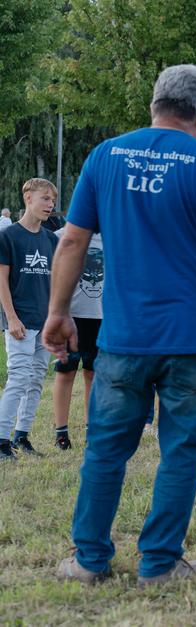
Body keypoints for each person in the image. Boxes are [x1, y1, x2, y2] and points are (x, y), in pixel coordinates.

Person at [44, 64, 196, 585]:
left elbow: (71, 241)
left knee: (105, 450)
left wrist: (58, 312)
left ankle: (89, 561)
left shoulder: (104, 156)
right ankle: (158, 563)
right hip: (191, 340)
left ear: (154, 103)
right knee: (181, 451)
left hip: (122, 339)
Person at [0, 178, 59, 460]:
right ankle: (1, 440)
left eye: (52, 200)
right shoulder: (8, 235)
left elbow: (56, 283)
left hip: (44, 322)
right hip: (20, 322)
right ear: (28, 198)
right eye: (45, 198)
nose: (51, 204)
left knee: (36, 381)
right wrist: (11, 317)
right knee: (18, 378)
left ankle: (21, 436)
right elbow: (1, 281)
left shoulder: (51, 239)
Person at [51, 227, 104, 451]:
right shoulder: (63, 235)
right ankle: (61, 431)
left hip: (101, 316)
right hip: (71, 315)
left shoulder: (113, 235)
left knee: (93, 373)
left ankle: (92, 429)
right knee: (66, 370)